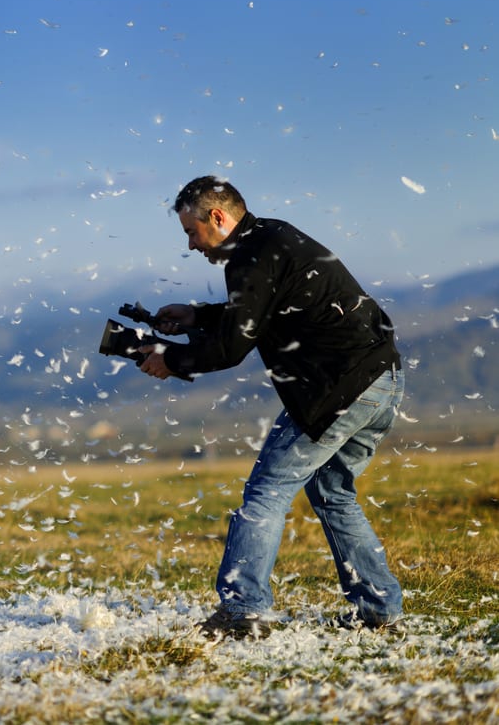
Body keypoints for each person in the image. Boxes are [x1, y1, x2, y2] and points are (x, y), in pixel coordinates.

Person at [136, 176, 404, 640]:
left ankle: (245, 609)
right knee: (331, 493)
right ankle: (378, 606)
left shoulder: (249, 256)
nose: (191, 244)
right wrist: (197, 316)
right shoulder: (272, 237)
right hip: (381, 379)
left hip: (338, 389)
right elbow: (258, 316)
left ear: (217, 218)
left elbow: (232, 347)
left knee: (266, 491)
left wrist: (170, 360)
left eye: (191, 232)